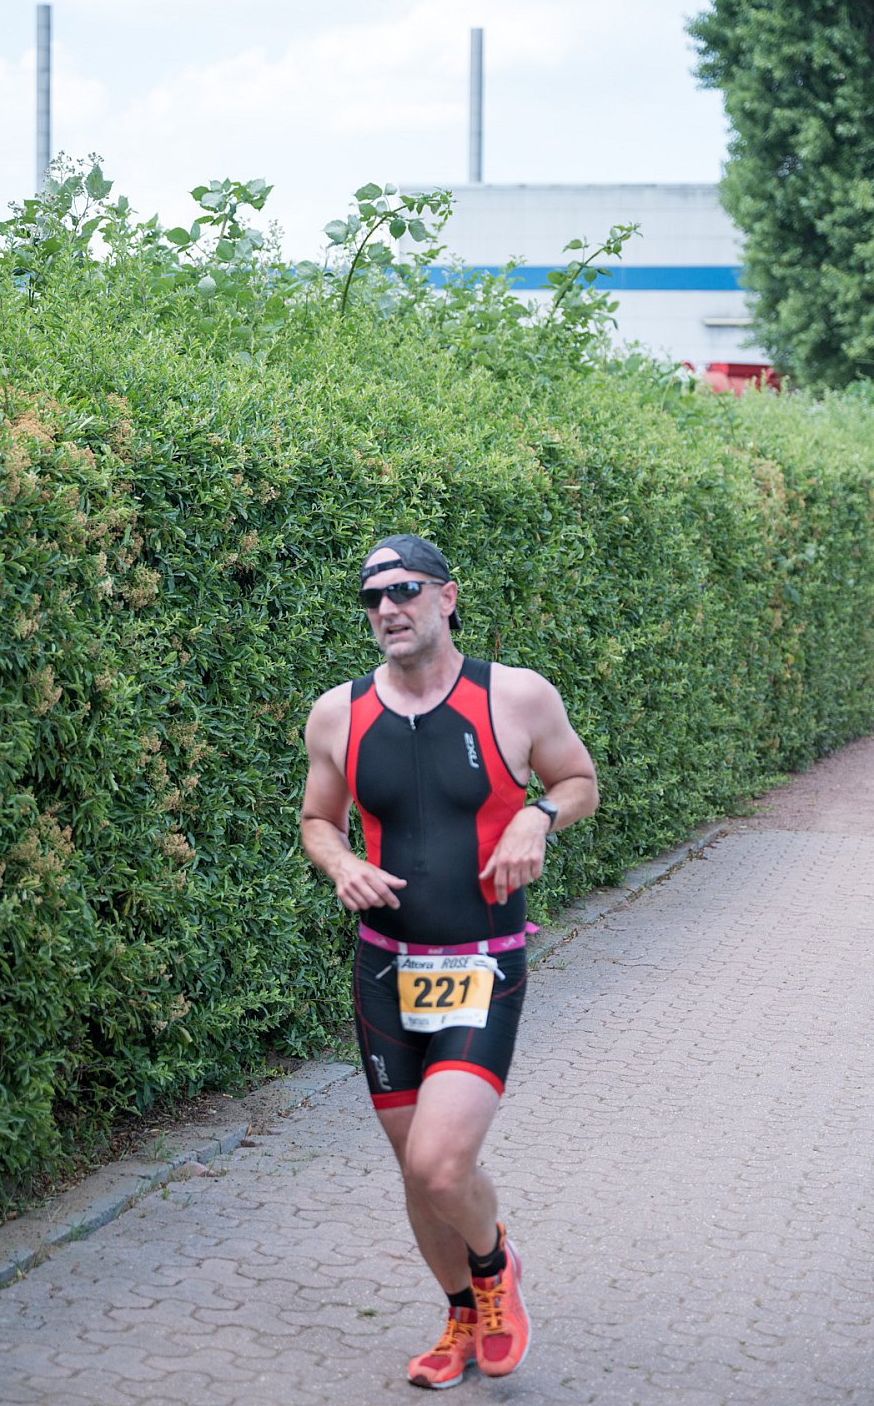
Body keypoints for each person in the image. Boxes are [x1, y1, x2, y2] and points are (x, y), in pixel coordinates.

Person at [301, 534, 598, 1389]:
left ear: (446, 596)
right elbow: (317, 820)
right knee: (416, 1172)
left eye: (403, 590)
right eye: (372, 597)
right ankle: (462, 1315)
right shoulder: (337, 713)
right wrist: (340, 863)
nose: (386, 608)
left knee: (439, 1163)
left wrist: (537, 816)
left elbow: (579, 782)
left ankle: (494, 1264)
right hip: (383, 970)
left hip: (483, 965)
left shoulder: (515, 696)